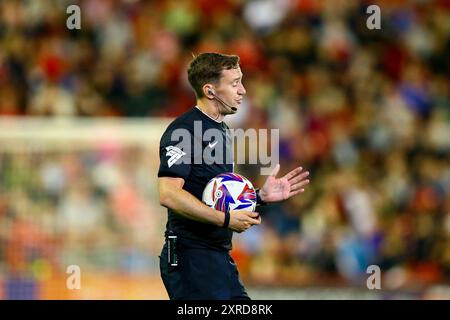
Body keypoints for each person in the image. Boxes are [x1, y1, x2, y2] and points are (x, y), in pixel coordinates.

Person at [158, 52, 310, 300]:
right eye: (234, 83)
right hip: (190, 257)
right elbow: (169, 194)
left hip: (217, 257)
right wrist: (225, 219)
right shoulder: (184, 131)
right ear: (210, 91)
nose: (243, 91)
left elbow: (213, 193)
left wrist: (259, 196)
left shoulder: (222, 130)